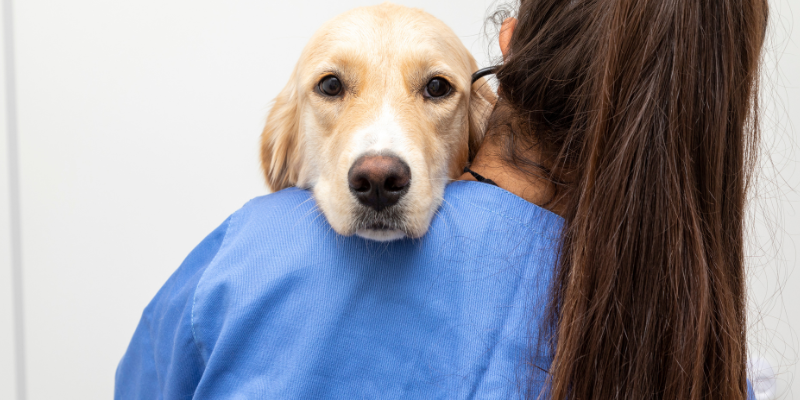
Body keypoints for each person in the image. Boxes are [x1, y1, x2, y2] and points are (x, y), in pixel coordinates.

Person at [115, 0, 768, 399]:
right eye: (334, 87)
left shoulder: (239, 263)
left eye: (434, 89)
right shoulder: (701, 351)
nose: (379, 164)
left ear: (509, 55)